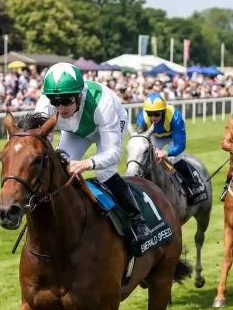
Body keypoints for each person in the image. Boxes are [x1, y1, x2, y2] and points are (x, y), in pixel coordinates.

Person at [34, 63, 152, 243]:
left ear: (79, 95)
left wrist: (86, 163)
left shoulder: (102, 102)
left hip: (107, 124)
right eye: (55, 101)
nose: (61, 108)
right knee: (59, 170)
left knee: (104, 171)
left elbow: (113, 153)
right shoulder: (45, 105)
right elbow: (41, 143)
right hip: (75, 132)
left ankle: (137, 220)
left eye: (66, 101)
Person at [135, 91, 196, 190]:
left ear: (163, 111)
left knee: (174, 159)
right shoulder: (142, 118)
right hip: (155, 136)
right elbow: (139, 141)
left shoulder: (174, 116)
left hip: (172, 136)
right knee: (145, 158)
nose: (153, 117)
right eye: (150, 114)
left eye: (157, 114)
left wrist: (166, 152)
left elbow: (180, 144)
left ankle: (191, 184)